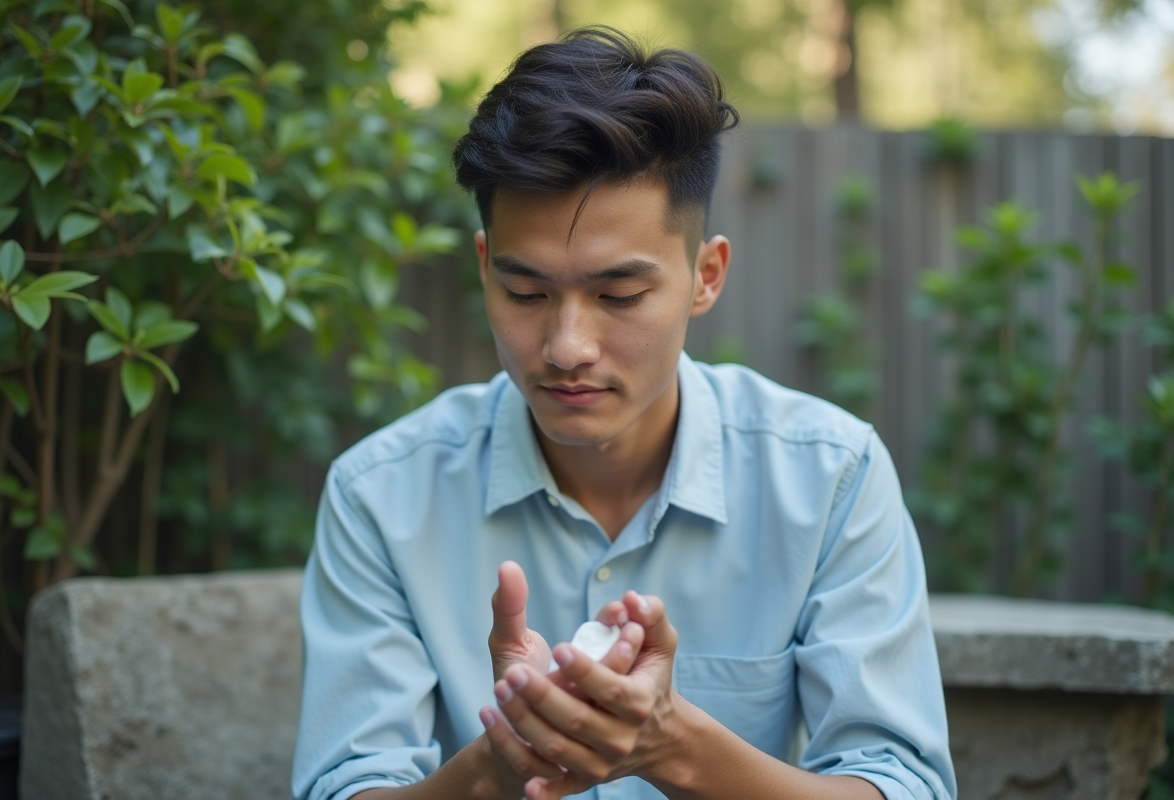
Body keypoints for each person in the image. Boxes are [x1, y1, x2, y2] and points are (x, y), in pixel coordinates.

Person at [292, 26, 956, 800]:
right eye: (526, 292)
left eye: (619, 295)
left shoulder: (831, 476)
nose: (567, 346)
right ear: (483, 270)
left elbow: (902, 786)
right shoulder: (380, 495)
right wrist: (500, 764)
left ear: (705, 276)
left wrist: (674, 747)